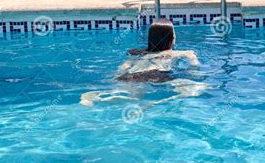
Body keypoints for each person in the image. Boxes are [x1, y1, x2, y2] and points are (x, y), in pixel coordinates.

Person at [80, 19, 210, 107]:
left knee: (133, 97)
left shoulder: (138, 52)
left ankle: (97, 97)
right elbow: (195, 67)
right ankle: (155, 103)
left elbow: (124, 66)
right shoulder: (181, 53)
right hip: (156, 75)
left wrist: (117, 75)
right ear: (172, 38)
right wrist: (194, 66)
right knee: (200, 87)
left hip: (131, 74)